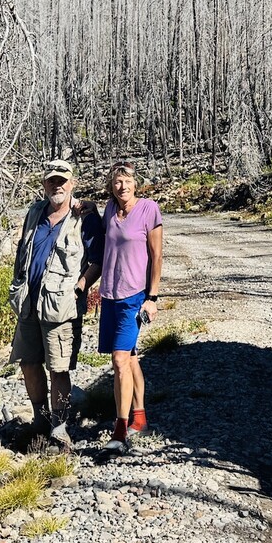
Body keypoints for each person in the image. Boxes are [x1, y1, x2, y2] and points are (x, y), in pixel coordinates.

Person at [8, 159, 101, 447]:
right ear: (44, 184)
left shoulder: (84, 215)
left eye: (62, 180)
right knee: (28, 363)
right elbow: (22, 252)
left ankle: (59, 428)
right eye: (51, 181)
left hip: (61, 305)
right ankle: (40, 419)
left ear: (72, 183)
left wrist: (81, 286)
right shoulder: (35, 212)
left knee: (58, 367)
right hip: (29, 302)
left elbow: (98, 259)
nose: (57, 185)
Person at [90, 161, 162, 451]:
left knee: (119, 360)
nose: (123, 186)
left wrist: (152, 298)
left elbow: (156, 256)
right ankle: (140, 419)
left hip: (134, 296)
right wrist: (87, 207)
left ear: (136, 184)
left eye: (127, 181)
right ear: (111, 186)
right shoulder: (110, 209)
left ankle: (119, 432)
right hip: (110, 294)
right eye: (117, 182)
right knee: (130, 358)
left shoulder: (148, 209)